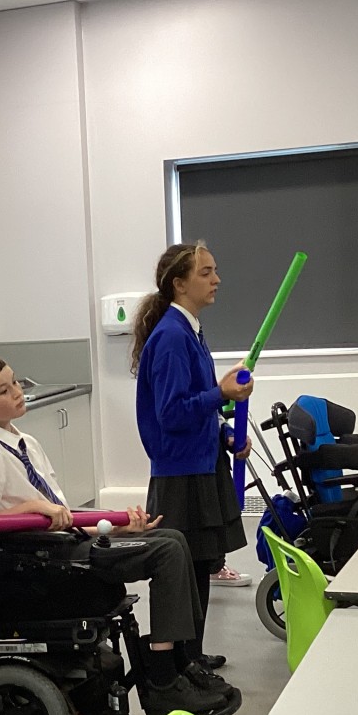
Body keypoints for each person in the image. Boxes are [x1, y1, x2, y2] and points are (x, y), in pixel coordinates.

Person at [0, 356, 240, 715]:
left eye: (16, 383)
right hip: (41, 561)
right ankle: (164, 681)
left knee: (172, 538)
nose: (17, 393)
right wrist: (29, 505)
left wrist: (115, 530)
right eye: (3, 390)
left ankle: (182, 660)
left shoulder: (25, 442)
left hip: (65, 542)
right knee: (166, 551)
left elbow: (63, 516)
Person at [131, 242, 253, 670]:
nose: (216, 279)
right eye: (206, 272)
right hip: (180, 474)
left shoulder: (191, 331)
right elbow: (171, 413)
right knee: (180, 572)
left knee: (200, 567)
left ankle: (192, 655)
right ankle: (177, 662)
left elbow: (194, 405)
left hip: (201, 464)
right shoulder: (170, 337)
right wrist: (221, 393)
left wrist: (223, 433)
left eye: (214, 270)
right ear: (179, 284)